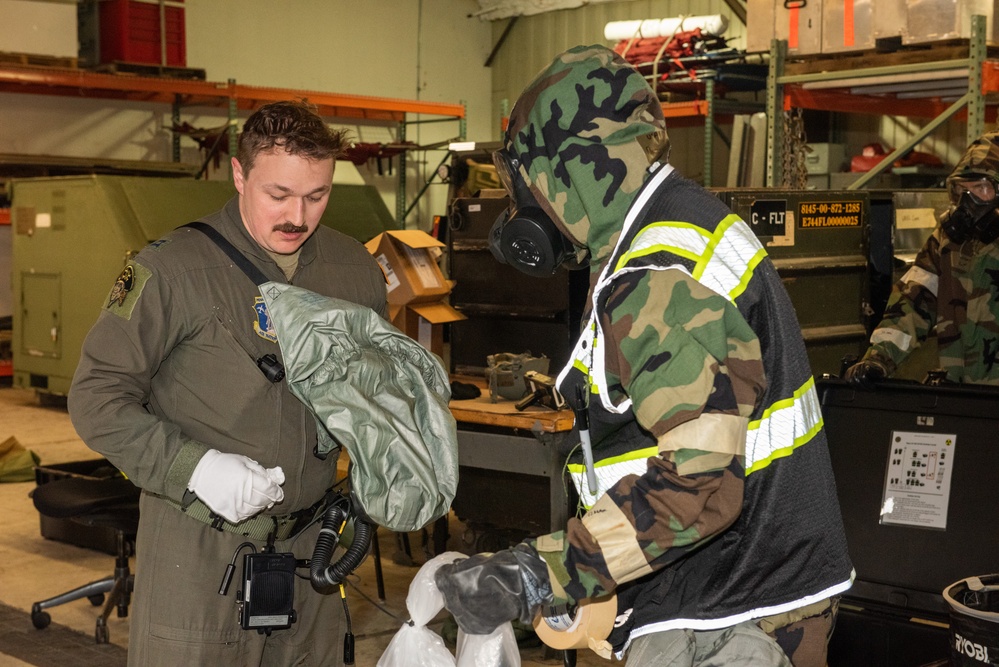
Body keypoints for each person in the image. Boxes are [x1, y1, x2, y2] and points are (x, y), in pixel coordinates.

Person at [434, 45, 854, 666]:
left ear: (567, 173)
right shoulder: (679, 228)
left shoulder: (655, 276)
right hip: (729, 589)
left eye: (526, 187)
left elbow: (699, 487)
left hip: (729, 618)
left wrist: (537, 574)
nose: (527, 213)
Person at [68, 100, 388, 666]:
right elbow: (97, 398)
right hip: (198, 556)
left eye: (317, 196)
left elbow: (372, 388)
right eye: (278, 195)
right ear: (239, 176)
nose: (298, 215)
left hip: (309, 553)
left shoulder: (353, 269)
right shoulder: (171, 270)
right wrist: (194, 466)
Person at [846, 130, 999, 386]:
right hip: (962, 396)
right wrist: (879, 358)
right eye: (962, 189)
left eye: (981, 188)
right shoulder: (947, 242)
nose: (968, 201)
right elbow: (912, 301)